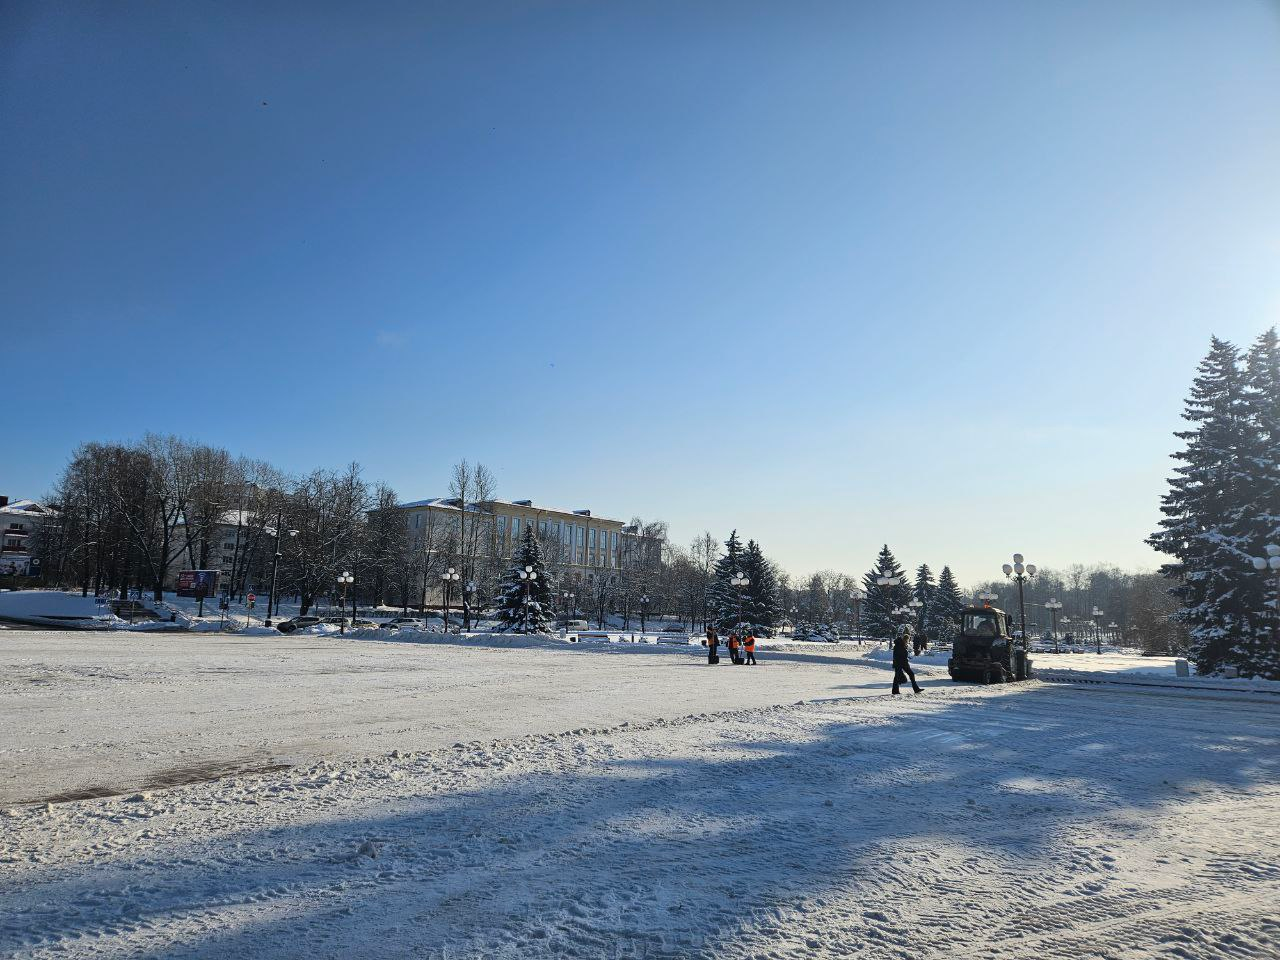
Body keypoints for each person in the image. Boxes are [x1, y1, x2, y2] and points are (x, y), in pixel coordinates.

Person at [892, 623, 923, 695]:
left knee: (910, 674)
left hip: (903, 663)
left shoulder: (902, 645)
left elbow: (902, 655)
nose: (908, 642)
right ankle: (895, 691)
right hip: (899, 664)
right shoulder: (898, 646)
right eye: (908, 640)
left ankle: (916, 689)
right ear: (905, 639)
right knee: (897, 677)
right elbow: (897, 656)